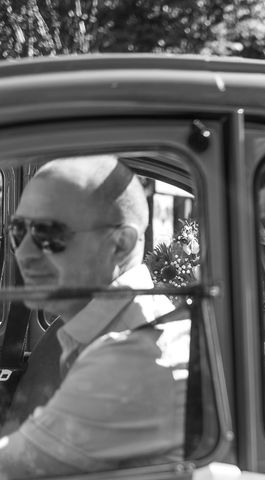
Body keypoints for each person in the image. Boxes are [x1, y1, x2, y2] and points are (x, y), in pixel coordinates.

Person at [0, 156, 190, 477]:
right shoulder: (97, 327)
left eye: (48, 234)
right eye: (18, 231)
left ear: (120, 244)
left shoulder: (131, 356)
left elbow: (13, 469)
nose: (23, 253)